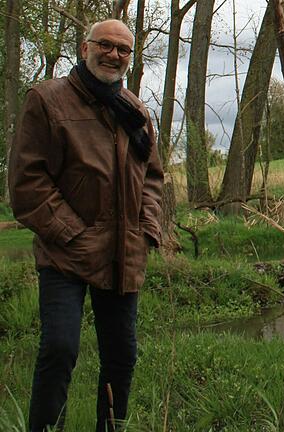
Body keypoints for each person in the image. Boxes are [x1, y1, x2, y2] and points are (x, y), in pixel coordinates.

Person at [8, 19, 163, 432]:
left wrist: (147, 228)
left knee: (122, 356)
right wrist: (72, 233)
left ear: (130, 58)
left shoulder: (136, 111)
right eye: (105, 45)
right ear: (84, 48)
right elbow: (28, 183)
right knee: (59, 348)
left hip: (122, 253)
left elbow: (152, 178)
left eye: (123, 50)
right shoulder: (46, 100)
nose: (114, 55)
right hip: (65, 253)